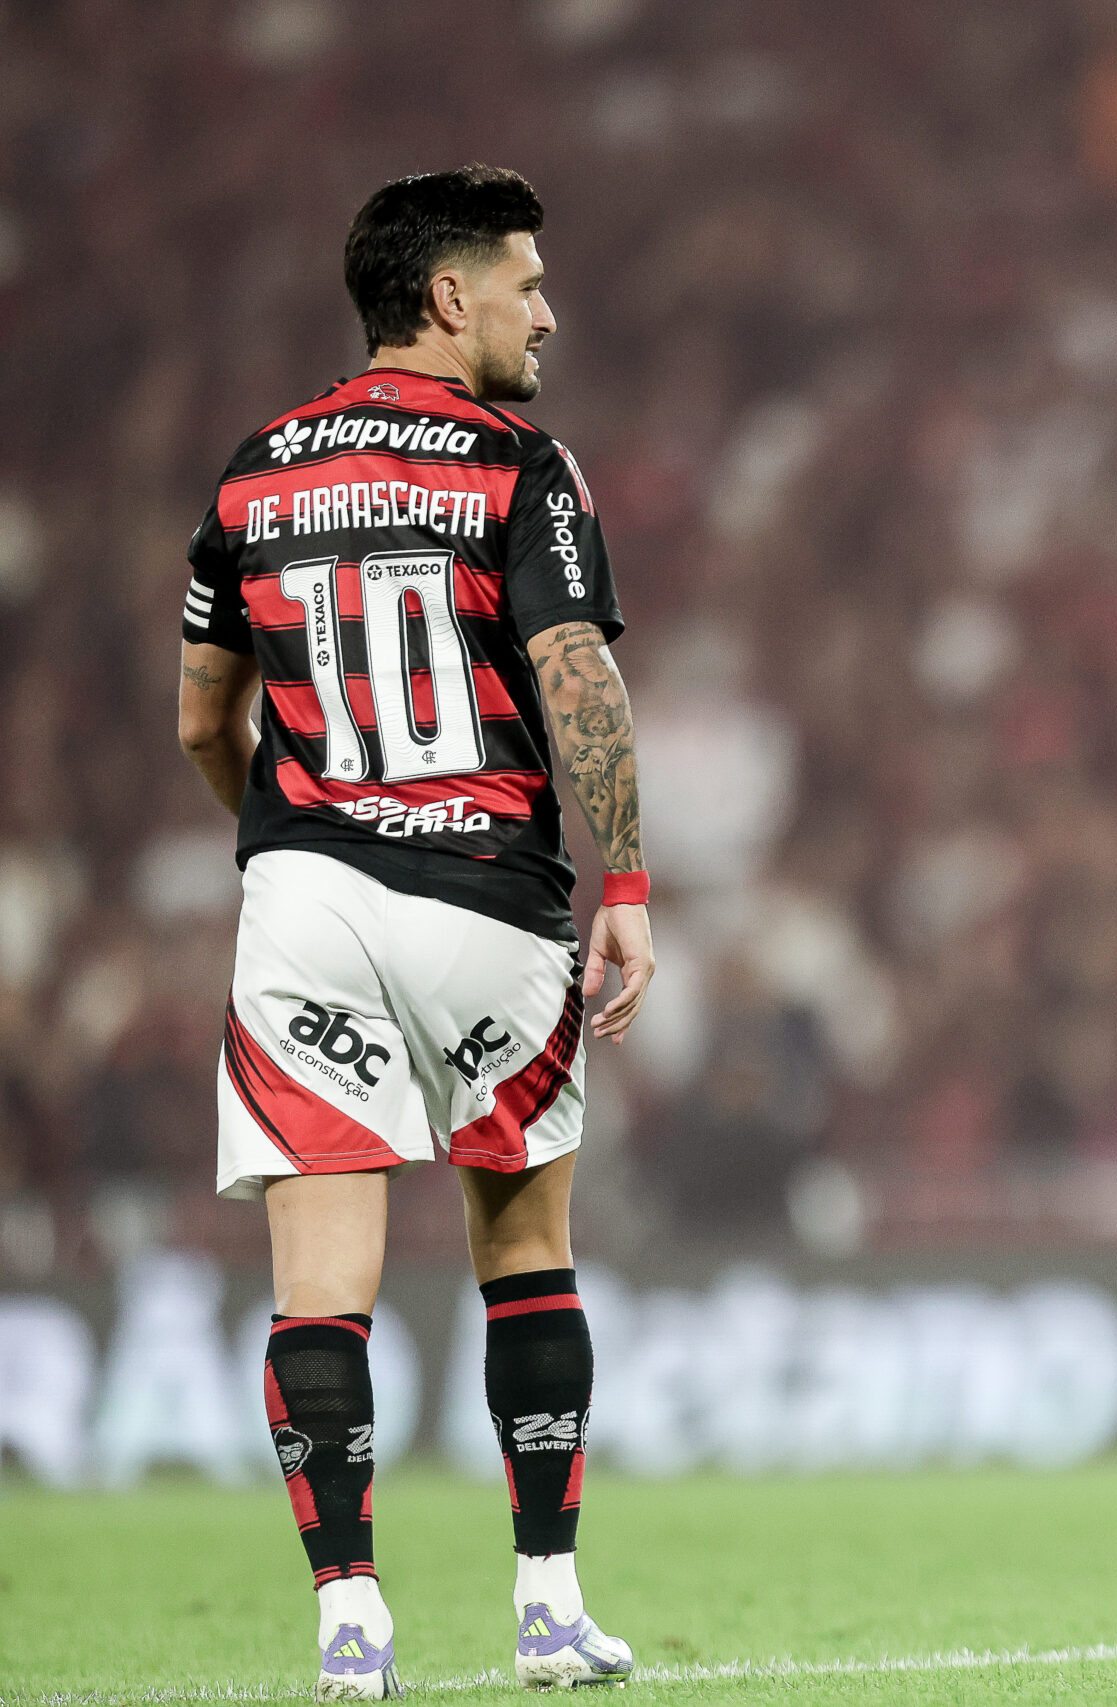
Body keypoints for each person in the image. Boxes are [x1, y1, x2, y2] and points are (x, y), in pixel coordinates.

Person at [175, 166, 652, 1697]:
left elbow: (202, 713)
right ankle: (548, 1603)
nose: (547, 311)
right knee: (525, 1247)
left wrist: (290, 833)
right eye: (527, 283)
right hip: (489, 895)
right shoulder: (519, 461)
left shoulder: (255, 472)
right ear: (451, 298)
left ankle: (348, 1620)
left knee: (320, 1278)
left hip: (303, 892)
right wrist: (628, 888)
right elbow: (575, 672)